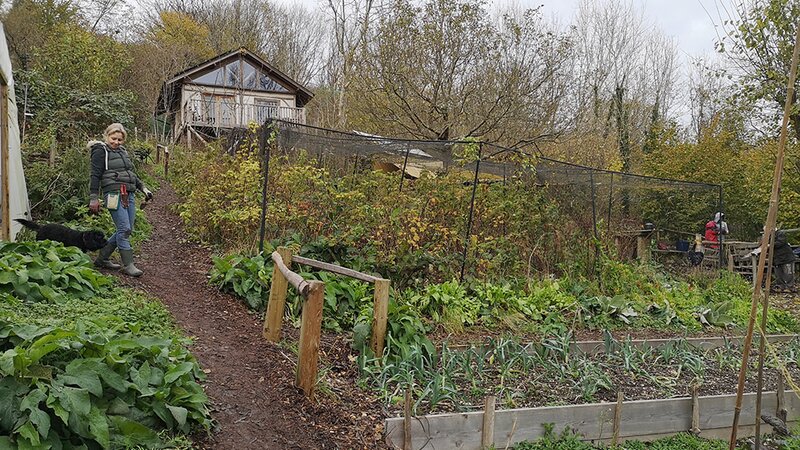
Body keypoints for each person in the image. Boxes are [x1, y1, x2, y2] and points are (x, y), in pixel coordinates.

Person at [88, 123, 153, 277]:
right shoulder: (100, 150)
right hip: (113, 194)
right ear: (107, 136)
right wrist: (93, 198)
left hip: (128, 194)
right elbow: (95, 175)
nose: (116, 142)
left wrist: (144, 189)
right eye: (113, 138)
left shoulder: (123, 151)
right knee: (124, 229)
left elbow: (130, 174)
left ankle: (102, 259)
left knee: (126, 229)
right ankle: (128, 265)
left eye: (119, 140)